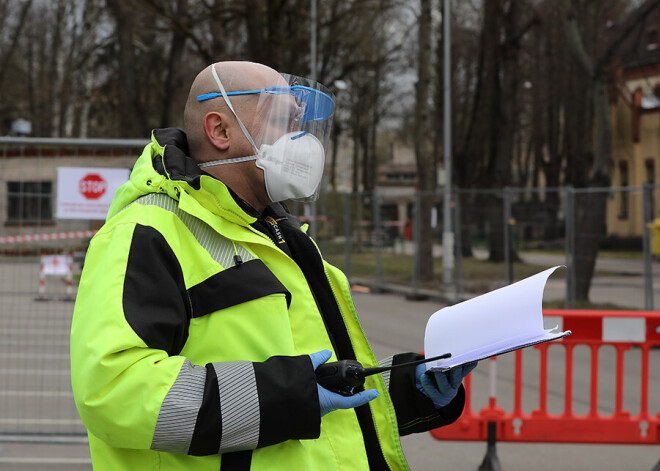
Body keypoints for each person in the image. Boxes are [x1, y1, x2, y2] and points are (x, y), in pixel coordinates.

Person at [70, 61, 477, 471]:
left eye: (301, 124)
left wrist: (412, 388)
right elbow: (114, 390)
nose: (301, 140)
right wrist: (290, 395)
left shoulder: (281, 234)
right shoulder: (146, 232)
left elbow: (317, 384)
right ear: (220, 130)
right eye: (283, 121)